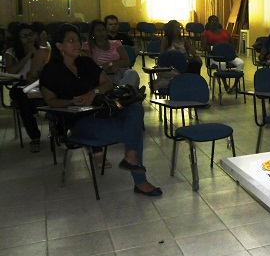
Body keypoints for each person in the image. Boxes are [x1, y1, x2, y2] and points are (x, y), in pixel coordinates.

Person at [40, 24, 162, 196]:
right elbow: (50, 101)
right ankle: (140, 179)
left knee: (135, 108)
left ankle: (131, 156)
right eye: (71, 41)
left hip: (103, 111)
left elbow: (107, 83)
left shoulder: (86, 62)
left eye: (78, 40)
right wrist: (71, 102)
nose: (77, 44)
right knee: (132, 131)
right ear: (59, 45)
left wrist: (93, 92)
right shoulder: (50, 70)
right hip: (79, 120)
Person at [4, 23, 45, 152]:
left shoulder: (42, 50)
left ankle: (60, 132)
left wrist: (37, 53)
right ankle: (35, 137)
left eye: (30, 34)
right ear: (18, 38)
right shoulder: (11, 52)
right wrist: (28, 55)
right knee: (24, 100)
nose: (28, 38)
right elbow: (12, 71)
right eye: (24, 36)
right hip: (20, 85)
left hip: (39, 83)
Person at [82, 19, 140, 88]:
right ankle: (125, 91)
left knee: (132, 73)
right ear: (92, 33)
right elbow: (89, 66)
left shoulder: (116, 43)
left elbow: (127, 62)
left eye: (103, 30)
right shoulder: (87, 46)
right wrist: (102, 68)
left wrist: (111, 63)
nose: (102, 33)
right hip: (103, 75)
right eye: (98, 31)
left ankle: (121, 90)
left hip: (120, 72)